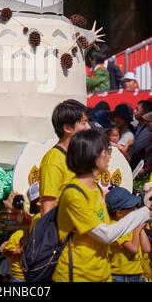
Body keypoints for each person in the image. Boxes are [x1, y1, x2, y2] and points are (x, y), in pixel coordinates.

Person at [52, 129, 152, 282]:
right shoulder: (73, 194)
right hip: (78, 276)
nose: (109, 156)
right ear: (92, 156)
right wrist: (143, 213)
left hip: (102, 274)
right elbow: (106, 234)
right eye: (106, 151)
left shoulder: (96, 189)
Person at [39, 99, 91, 216]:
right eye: (83, 123)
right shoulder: (53, 161)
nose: (89, 127)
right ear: (67, 128)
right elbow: (47, 210)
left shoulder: (78, 156)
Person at [106, 187, 150, 282]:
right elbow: (133, 249)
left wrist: (140, 227)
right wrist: (137, 229)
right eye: (131, 207)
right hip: (120, 277)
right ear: (119, 213)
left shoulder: (131, 224)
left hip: (138, 274)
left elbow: (147, 248)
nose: (135, 209)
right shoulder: (115, 227)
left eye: (135, 206)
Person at [129, 101, 152, 170]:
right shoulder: (139, 126)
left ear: (145, 111)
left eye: (137, 109)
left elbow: (136, 148)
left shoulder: (148, 131)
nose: (134, 111)